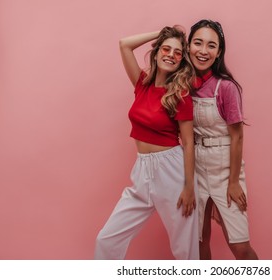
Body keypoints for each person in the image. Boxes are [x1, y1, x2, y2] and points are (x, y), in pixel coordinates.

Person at [94, 26, 199, 260]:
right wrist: (161, 33)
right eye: (166, 48)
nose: (171, 54)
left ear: (182, 60)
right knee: (107, 240)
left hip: (172, 171)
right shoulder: (142, 83)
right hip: (142, 170)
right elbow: (124, 44)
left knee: (185, 250)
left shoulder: (180, 94)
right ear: (157, 51)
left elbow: (189, 143)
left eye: (178, 52)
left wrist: (189, 187)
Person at [188, 19, 258, 259]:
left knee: (240, 246)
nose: (203, 51)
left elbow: (237, 137)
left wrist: (233, 183)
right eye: (198, 43)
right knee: (199, 241)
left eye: (211, 45)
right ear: (188, 47)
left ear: (218, 52)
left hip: (225, 167)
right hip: (195, 165)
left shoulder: (226, 87)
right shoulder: (183, 85)